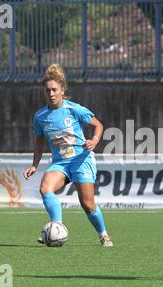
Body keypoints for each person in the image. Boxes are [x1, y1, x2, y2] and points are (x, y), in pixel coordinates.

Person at [23, 64, 114, 247]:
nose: (51, 93)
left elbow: (98, 125)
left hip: (81, 160)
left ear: (62, 90)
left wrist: (94, 141)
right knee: (45, 188)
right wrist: (35, 164)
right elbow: (39, 142)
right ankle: (57, 227)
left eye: (54, 90)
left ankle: (103, 235)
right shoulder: (40, 116)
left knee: (88, 205)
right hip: (61, 164)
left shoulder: (74, 109)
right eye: (47, 90)